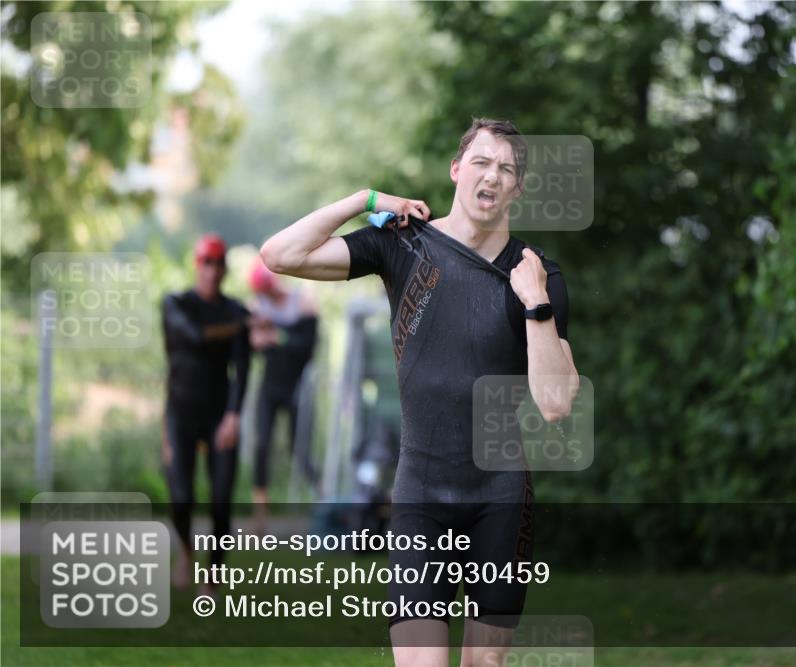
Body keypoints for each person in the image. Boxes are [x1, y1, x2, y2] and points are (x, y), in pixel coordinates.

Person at [261, 118, 579, 667]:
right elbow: (280, 255)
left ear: (517, 189)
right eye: (481, 162)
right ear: (457, 170)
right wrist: (365, 199)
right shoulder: (403, 246)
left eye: (507, 169)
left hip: (500, 499)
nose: (492, 176)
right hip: (421, 495)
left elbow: (554, 405)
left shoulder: (537, 275)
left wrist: (537, 305)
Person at [161, 233, 250, 592]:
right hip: (180, 415)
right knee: (181, 496)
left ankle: (213, 573)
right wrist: (244, 325)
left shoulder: (233, 310)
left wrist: (233, 415)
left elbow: (242, 369)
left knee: (221, 498)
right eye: (206, 262)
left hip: (219, 415)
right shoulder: (176, 304)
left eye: (218, 263)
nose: (212, 270)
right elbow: (196, 336)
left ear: (225, 268)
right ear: (198, 265)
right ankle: (185, 552)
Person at [246, 259, 320, 518]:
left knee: (299, 450)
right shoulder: (258, 308)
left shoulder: (302, 302)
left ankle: (322, 496)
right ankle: (260, 511)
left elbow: (308, 346)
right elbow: (252, 342)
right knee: (261, 443)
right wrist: (262, 334)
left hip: (297, 388)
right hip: (270, 386)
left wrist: (277, 336)